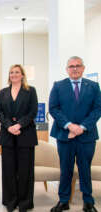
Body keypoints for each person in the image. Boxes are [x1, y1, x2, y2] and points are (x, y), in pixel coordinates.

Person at [49, 56, 101, 212]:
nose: (75, 68)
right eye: (71, 66)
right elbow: (54, 108)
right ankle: (63, 200)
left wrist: (82, 127)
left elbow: (97, 109)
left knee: (85, 169)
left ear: (83, 68)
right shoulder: (58, 86)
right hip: (65, 135)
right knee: (66, 169)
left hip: (87, 136)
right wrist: (70, 126)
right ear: (67, 69)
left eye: (78, 66)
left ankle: (88, 202)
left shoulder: (93, 86)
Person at [0, 64, 38, 212]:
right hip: (8, 135)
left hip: (25, 135)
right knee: (8, 170)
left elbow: (33, 112)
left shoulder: (30, 91)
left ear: (22, 75)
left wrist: (19, 125)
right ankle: (10, 201)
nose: (14, 74)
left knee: (25, 170)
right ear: (9, 75)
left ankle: (25, 202)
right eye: (11, 72)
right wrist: (9, 126)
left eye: (17, 72)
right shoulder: (3, 92)